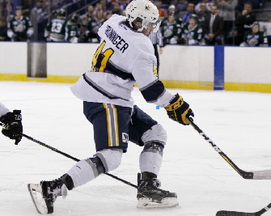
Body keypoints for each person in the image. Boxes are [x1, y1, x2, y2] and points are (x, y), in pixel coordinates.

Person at [28, 0, 194, 213]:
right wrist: (175, 104)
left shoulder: (113, 22)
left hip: (108, 96)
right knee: (111, 156)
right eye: (151, 24)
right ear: (140, 23)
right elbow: (151, 91)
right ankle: (52, 188)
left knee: (156, 134)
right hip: (107, 100)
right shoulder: (142, 48)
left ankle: (147, 188)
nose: (153, 29)